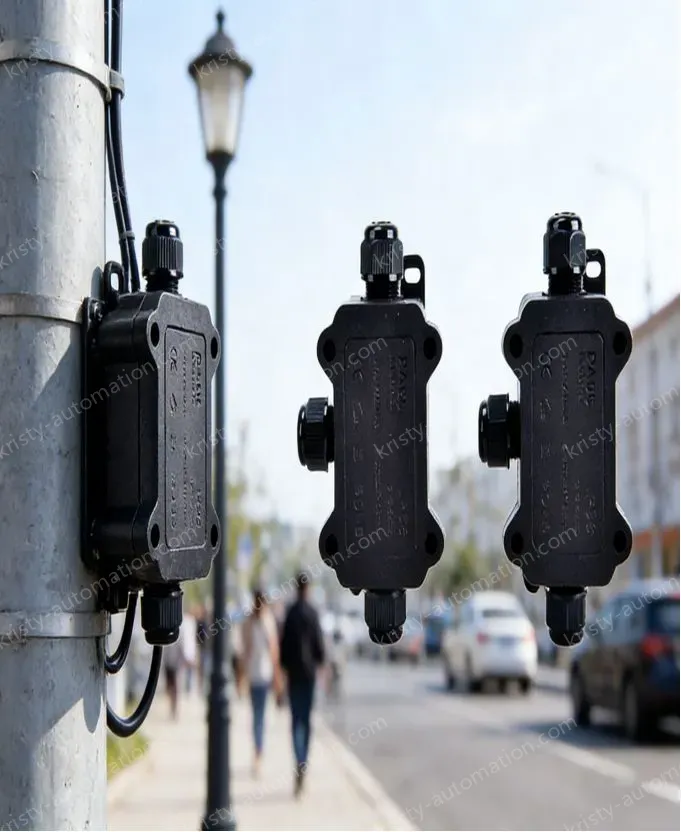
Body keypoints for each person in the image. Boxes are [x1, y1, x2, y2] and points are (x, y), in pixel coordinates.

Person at [280, 573, 326, 798]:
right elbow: (319, 646)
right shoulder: (312, 613)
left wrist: (283, 670)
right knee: (306, 721)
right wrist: (321, 665)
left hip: (294, 674)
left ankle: (299, 759)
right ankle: (303, 761)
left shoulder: (290, 613)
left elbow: (283, 646)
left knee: (296, 720)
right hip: (308, 675)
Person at [241, 588, 282, 778]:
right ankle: (258, 751)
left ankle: (257, 751)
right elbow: (273, 651)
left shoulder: (251, 622)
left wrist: (242, 676)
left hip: (256, 674)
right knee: (259, 716)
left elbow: (246, 652)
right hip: (262, 674)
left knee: (257, 715)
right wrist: (277, 677)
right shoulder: (265, 621)